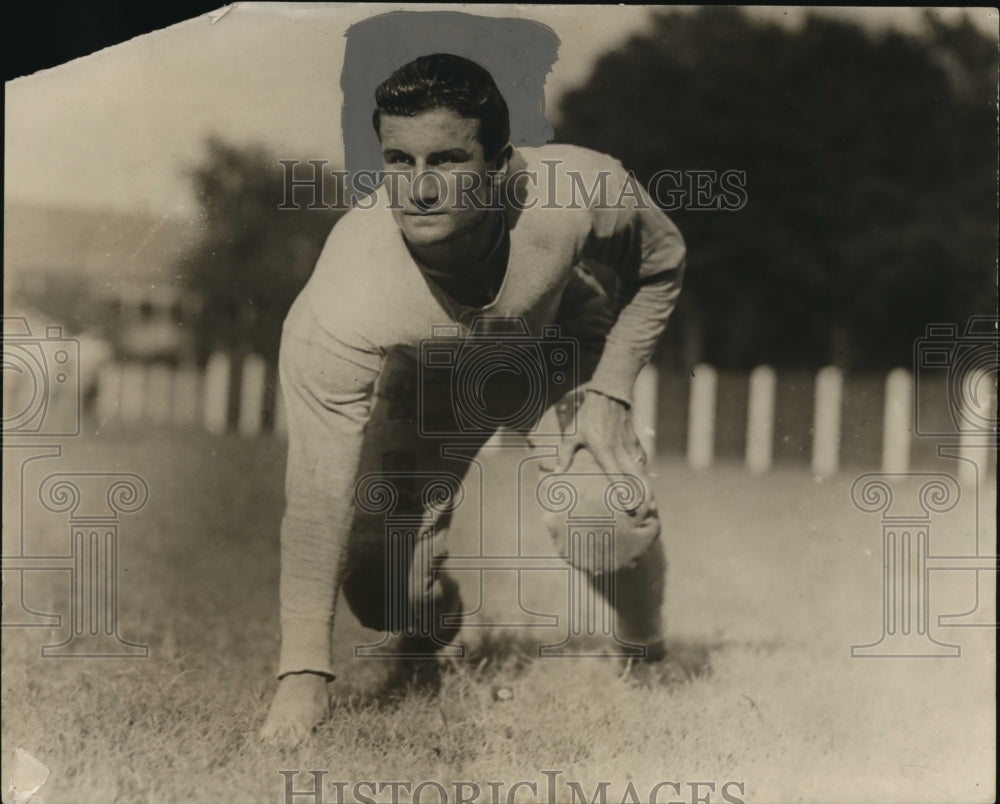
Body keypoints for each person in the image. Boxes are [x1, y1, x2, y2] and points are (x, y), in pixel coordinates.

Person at [262, 53, 686, 742]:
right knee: (379, 586)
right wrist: (303, 672)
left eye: (448, 160)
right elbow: (316, 494)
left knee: (601, 508)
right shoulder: (343, 298)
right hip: (433, 381)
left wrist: (611, 388)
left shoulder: (573, 187)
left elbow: (662, 264)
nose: (419, 189)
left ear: (499, 165)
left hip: (555, 347)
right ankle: (432, 628)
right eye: (398, 161)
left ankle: (646, 651)